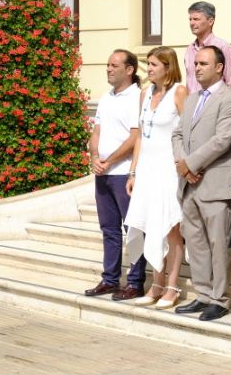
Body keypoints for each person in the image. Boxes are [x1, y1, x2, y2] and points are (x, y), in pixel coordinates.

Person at [172, 46, 231, 321]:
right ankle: (202, 294)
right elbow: (177, 134)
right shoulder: (191, 99)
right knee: (196, 242)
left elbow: (223, 140)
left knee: (217, 243)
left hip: (214, 182)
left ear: (219, 67)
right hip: (189, 183)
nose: (197, 68)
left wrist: (190, 164)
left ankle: (219, 298)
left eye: (203, 63)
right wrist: (183, 165)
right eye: (195, 64)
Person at [125, 46, 188, 309]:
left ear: (167, 66)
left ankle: (172, 285)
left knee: (171, 228)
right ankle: (156, 282)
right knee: (149, 224)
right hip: (147, 169)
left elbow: (188, 132)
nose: (148, 69)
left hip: (168, 169)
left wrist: (184, 164)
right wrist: (133, 171)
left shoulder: (180, 92)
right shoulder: (144, 93)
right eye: (148, 64)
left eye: (153, 64)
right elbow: (139, 135)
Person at [85, 49, 147, 301]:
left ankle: (135, 281)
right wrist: (94, 159)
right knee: (108, 229)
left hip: (123, 174)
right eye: (107, 65)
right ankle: (110, 279)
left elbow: (135, 138)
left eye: (114, 65)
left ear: (129, 69)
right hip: (103, 174)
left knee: (132, 229)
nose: (108, 69)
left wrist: (109, 160)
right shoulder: (106, 97)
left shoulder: (137, 97)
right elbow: (96, 131)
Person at [184, 1, 231, 93]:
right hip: (193, 105)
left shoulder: (223, 47)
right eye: (190, 19)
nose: (192, 23)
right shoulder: (190, 49)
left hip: (216, 105)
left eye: (196, 19)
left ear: (210, 21)